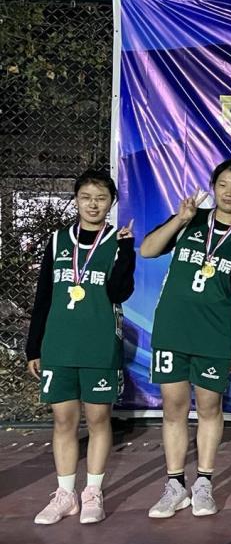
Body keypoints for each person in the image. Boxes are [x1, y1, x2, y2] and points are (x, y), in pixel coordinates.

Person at [140, 159, 231, 518]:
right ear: (213, 187)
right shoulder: (191, 220)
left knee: (209, 407)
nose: (229, 192)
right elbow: (147, 249)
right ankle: (175, 485)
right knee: (173, 407)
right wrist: (179, 219)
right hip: (173, 330)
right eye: (222, 184)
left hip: (214, 333)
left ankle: (204, 483)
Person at [27, 169, 135, 524]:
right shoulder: (58, 240)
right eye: (86, 197)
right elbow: (44, 295)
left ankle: (92, 492)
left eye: (101, 198)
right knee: (63, 420)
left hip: (99, 345)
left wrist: (127, 252)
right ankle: (65, 495)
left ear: (111, 203)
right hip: (59, 345)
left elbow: (120, 292)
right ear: (75, 199)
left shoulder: (117, 241)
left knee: (99, 418)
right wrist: (33, 347)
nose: (93, 204)